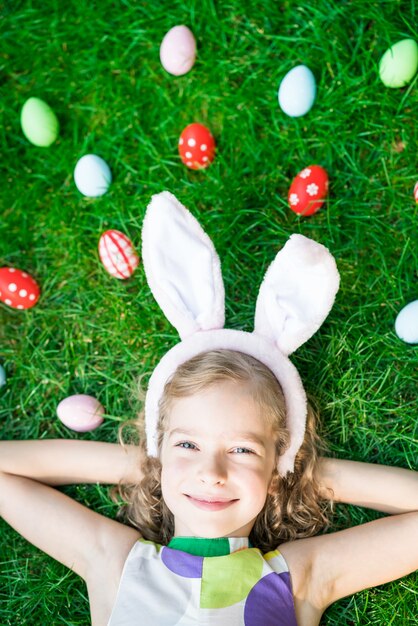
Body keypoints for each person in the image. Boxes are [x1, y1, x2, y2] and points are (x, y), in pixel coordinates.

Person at [1, 192, 417, 625]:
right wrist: (155, 463)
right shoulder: (115, 563)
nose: (211, 472)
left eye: (242, 450)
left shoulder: (299, 578)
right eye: (189, 444)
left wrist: (294, 469)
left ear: (277, 468)